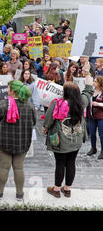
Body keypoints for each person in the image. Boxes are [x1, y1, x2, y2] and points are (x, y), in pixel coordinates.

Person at [43, 67, 94, 198]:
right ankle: (67, 189)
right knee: (71, 163)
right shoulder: (81, 102)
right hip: (76, 139)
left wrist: (45, 129)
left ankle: (56, 189)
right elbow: (89, 90)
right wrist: (87, 73)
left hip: (60, 140)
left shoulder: (57, 103)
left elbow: (48, 121)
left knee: (60, 164)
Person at [0, 80, 36, 201]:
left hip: (4, 141)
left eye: (8, 88)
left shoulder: (3, 104)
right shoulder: (29, 106)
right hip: (22, 142)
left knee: (4, 167)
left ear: (12, 91)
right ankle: (19, 194)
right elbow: (34, 123)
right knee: (19, 168)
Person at [87, 76, 103, 159]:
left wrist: (98, 104)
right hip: (92, 115)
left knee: (101, 134)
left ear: (100, 83)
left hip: (101, 116)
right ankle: (93, 148)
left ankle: (102, 151)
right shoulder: (91, 91)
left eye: (95, 81)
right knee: (92, 133)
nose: (94, 83)